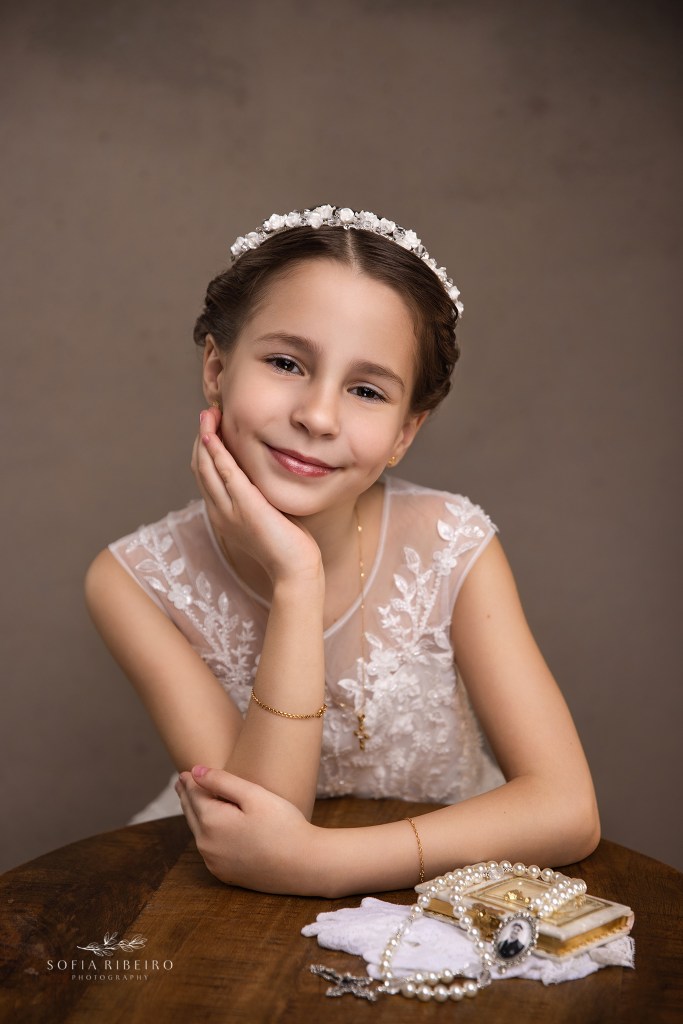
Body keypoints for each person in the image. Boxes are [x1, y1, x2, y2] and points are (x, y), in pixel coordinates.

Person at [85, 205, 600, 898]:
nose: (317, 417)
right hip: (233, 908)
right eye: (284, 362)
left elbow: (568, 810)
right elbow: (258, 831)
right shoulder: (131, 581)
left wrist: (327, 863)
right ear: (216, 368)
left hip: (444, 877)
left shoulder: (452, 543)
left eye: (365, 390)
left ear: (404, 433)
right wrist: (295, 579)